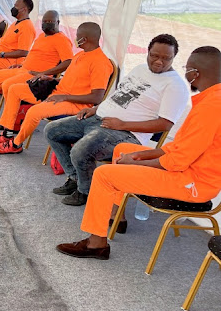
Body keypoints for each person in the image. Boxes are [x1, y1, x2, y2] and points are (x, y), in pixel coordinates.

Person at [56, 47, 221, 260]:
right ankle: (117, 216)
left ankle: (96, 244)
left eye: (187, 69)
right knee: (122, 149)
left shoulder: (211, 106)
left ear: (195, 73)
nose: (185, 73)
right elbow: (180, 147)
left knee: (105, 174)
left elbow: (177, 161)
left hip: (193, 183)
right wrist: (141, 156)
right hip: (187, 168)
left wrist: (136, 164)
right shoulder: (211, 100)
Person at [45, 34, 189, 206]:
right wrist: (95, 109)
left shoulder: (175, 86)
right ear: (148, 52)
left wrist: (122, 124)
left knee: (80, 151)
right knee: (52, 131)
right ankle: (76, 179)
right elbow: (117, 95)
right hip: (99, 118)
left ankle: (85, 192)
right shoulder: (140, 69)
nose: (159, 61)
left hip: (125, 133)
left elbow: (165, 124)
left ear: (174, 58)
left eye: (166, 58)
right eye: (155, 56)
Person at [0, 22, 113, 155]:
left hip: (74, 104)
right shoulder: (80, 55)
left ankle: (15, 144)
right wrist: (52, 79)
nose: (75, 39)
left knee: (34, 112)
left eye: (77, 36)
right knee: (14, 89)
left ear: (85, 39)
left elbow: (97, 97)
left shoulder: (100, 62)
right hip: (58, 93)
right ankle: (7, 133)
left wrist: (64, 97)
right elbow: (72, 80)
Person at [0, 10, 73, 121]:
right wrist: (21, 64)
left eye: (50, 21)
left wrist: (44, 73)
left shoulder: (62, 40)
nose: (46, 24)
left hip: (35, 75)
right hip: (22, 69)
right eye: (44, 21)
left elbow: (68, 62)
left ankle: (10, 121)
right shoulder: (42, 36)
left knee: (8, 85)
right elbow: (32, 55)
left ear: (58, 22)